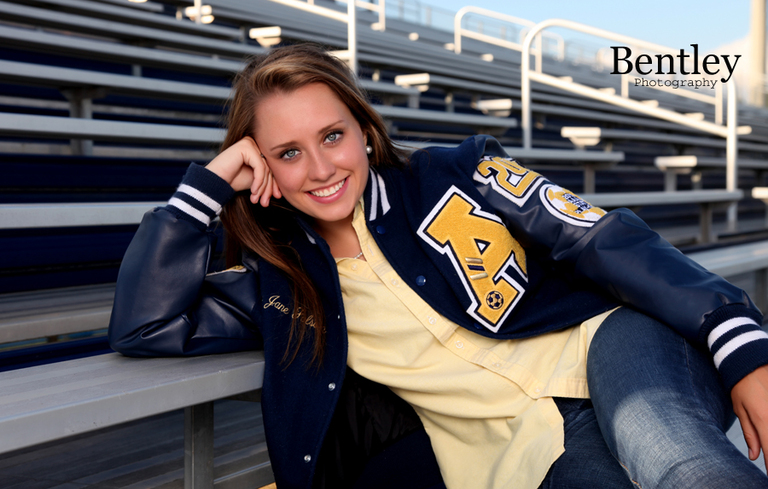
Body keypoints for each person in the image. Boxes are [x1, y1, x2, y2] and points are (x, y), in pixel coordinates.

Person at [108, 43, 768, 489]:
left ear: (363, 129)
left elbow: (599, 238)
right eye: (288, 152)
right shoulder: (280, 284)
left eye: (332, 135)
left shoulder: (459, 170)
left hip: (611, 347)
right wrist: (206, 187)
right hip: (517, 449)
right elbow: (144, 326)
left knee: (680, 465)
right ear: (264, 167)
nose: (321, 168)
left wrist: (738, 343)